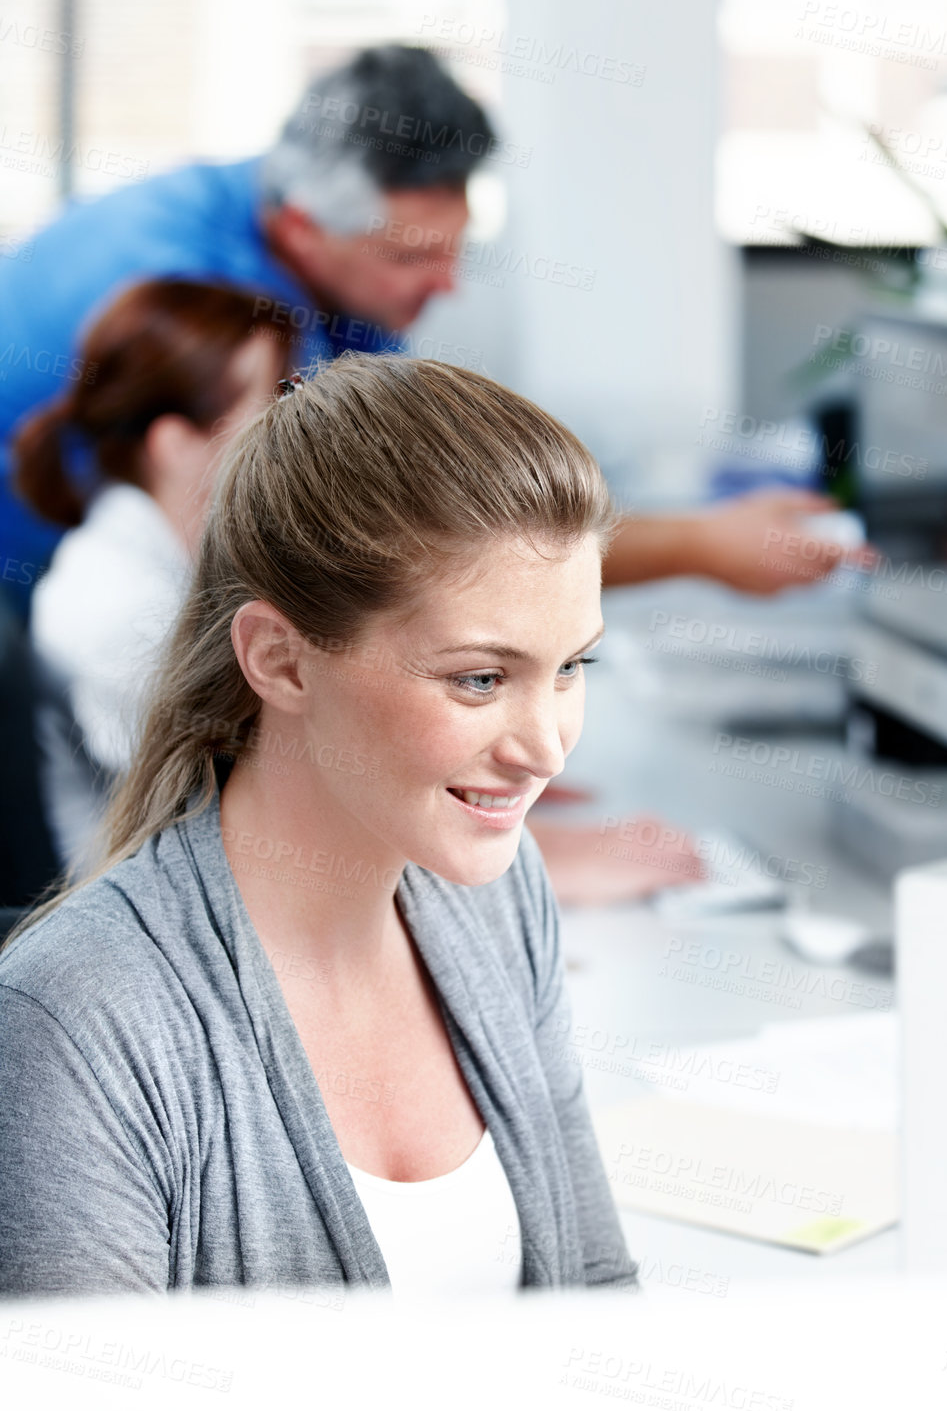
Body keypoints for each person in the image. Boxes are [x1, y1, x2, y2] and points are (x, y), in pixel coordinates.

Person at [0, 354, 638, 1296]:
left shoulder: (502, 898)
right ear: (281, 661)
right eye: (479, 678)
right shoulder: (80, 1025)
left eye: (573, 667)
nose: (546, 748)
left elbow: (592, 1297)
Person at [0, 45, 858, 616]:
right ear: (304, 229)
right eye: (412, 258)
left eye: (454, 250)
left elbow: (419, 476)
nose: (444, 285)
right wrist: (700, 545)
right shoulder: (212, 312)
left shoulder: (309, 241)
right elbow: (398, 543)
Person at [10, 279, 292, 873]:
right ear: (175, 443)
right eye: (271, 402)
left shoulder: (177, 566)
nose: (293, 430)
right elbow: (247, 810)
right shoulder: (111, 602)